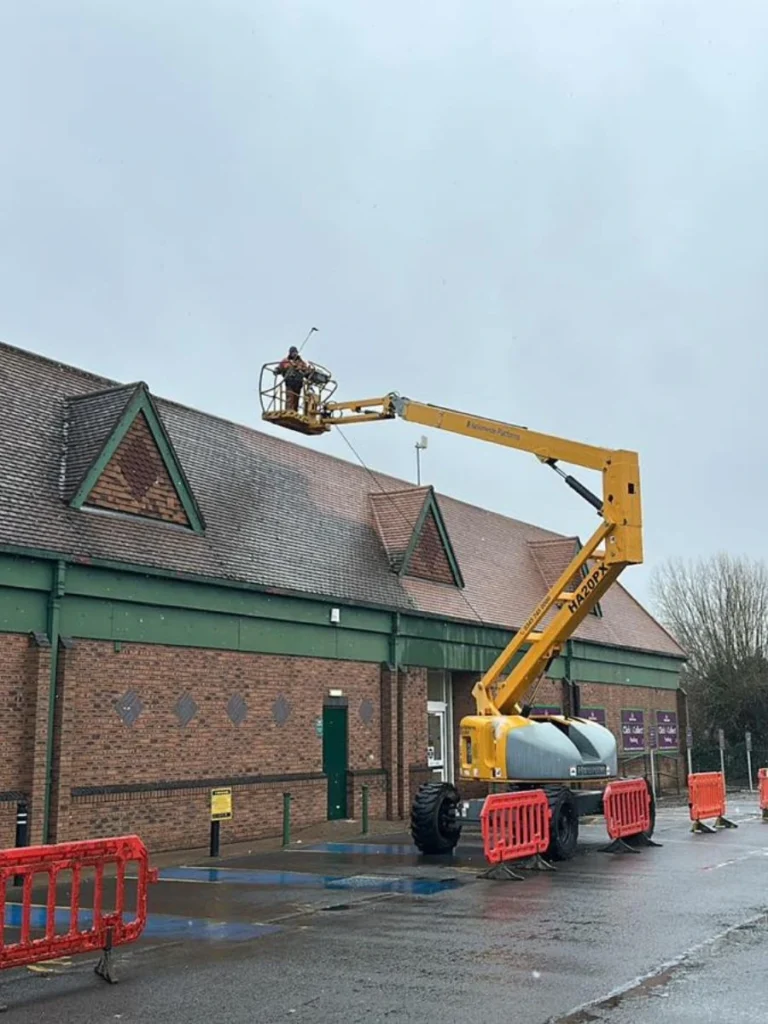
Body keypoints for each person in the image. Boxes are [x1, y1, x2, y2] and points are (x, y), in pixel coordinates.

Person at [275, 346, 309, 412]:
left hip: (298, 383)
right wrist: (276, 370)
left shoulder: (301, 363)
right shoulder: (286, 361)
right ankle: (289, 410)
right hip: (290, 382)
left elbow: (306, 371)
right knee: (290, 398)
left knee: (296, 399)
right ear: (290, 353)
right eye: (293, 352)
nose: (294, 354)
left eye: (295, 352)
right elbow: (280, 367)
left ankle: (295, 411)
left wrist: (305, 370)